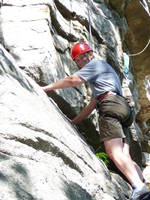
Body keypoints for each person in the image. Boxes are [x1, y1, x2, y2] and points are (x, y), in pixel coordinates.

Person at [42, 41, 149, 199]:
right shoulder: (103, 74)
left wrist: (47, 87)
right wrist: (74, 121)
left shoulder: (95, 65)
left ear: (89, 55)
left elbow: (73, 80)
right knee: (125, 155)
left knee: (113, 151)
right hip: (124, 109)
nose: (81, 62)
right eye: (78, 60)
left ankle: (139, 187)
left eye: (81, 58)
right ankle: (143, 186)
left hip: (111, 106)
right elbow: (92, 105)